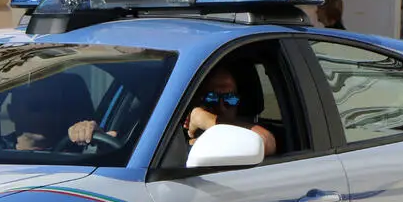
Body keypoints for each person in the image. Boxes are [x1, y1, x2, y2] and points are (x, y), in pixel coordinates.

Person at [68, 62, 277, 158]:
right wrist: (90, 133)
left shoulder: (242, 133)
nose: (221, 105)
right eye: (212, 96)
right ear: (195, 99)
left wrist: (207, 121)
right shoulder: (163, 131)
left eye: (230, 98)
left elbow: (265, 142)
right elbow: (122, 148)